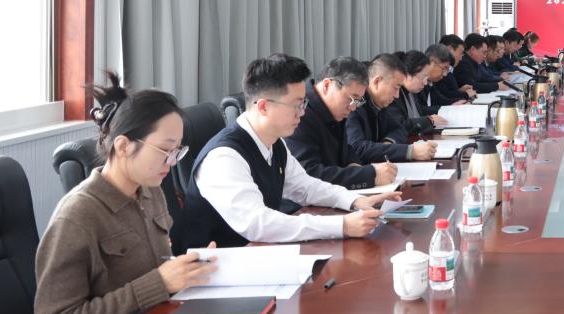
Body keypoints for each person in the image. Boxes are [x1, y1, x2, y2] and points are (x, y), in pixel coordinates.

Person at [34, 73, 277, 314]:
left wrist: (190, 266)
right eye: (165, 150)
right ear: (123, 146)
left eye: (178, 150)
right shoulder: (77, 217)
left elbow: (154, 267)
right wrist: (160, 282)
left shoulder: (149, 192)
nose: (173, 161)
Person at [180, 53, 401, 250]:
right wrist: (340, 225)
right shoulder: (224, 158)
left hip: (254, 254)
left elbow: (305, 187)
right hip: (211, 270)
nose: (302, 113)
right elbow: (259, 224)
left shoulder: (274, 143)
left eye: (303, 104)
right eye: (296, 105)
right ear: (263, 106)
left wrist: (354, 201)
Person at [284, 57, 396, 190]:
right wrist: (368, 175)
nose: (353, 107)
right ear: (327, 86)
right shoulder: (300, 113)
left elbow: (345, 148)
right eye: (351, 98)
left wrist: (353, 164)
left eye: (358, 101)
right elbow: (309, 174)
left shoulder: (334, 109)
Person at [345, 53, 437, 163]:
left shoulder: (379, 103)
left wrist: (389, 143)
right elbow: (357, 148)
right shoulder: (354, 105)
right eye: (395, 87)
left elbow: (400, 129)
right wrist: (410, 151)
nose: (397, 95)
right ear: (377, 82)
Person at [387, 50, 448, 144]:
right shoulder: (394, 94)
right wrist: (429, 120)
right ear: (407, 75)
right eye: (423, 78)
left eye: (426, 78)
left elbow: (419, 113)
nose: (425, 83)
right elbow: (400, 124)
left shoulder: (412, 91)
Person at [425, 43, 469, 107]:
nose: (445, 74)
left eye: (447, 70)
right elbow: (420, 110)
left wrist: (462, 102)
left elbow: (440, 100)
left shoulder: (430, 82)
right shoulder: (419, 82)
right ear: (431, 63)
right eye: (444, 68)